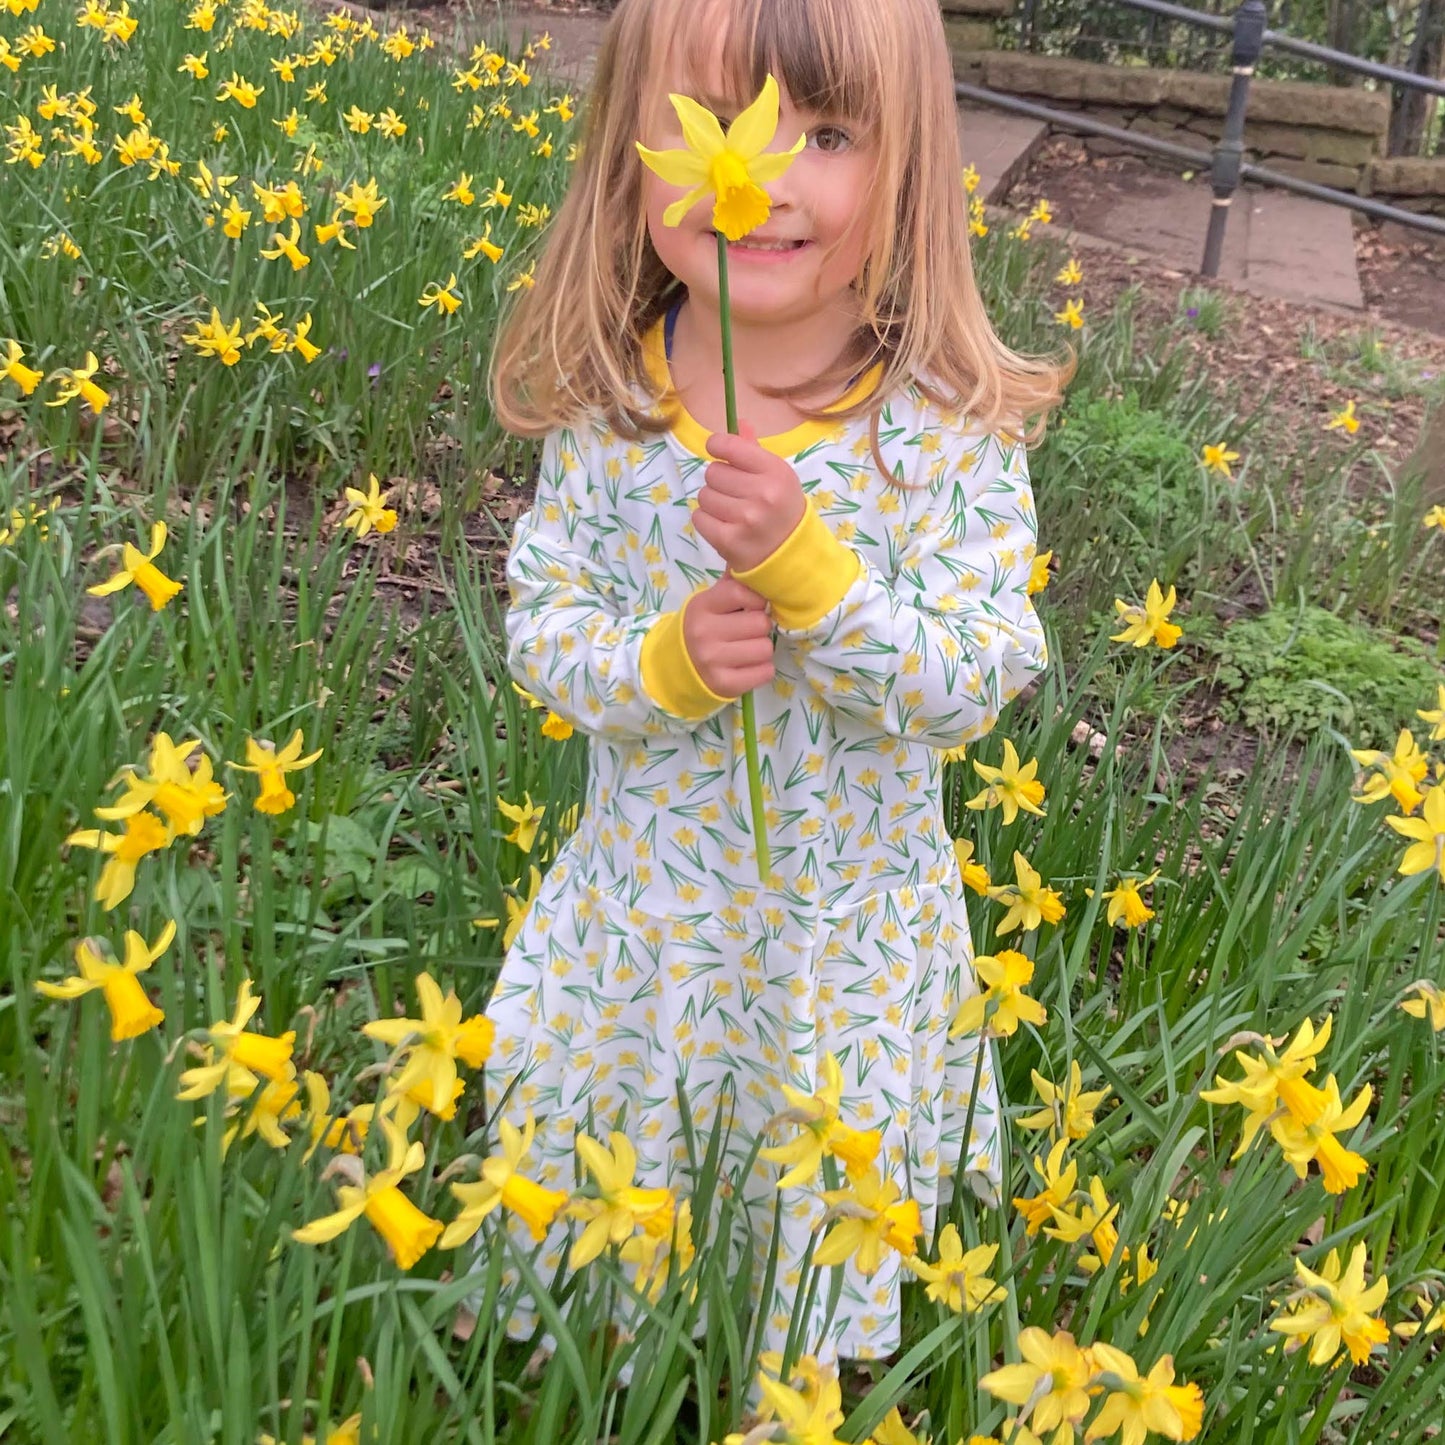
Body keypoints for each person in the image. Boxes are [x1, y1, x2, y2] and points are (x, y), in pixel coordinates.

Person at [481, 0, 1071, 1376]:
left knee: (803, 1177)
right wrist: (658, 665)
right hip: (652, 915)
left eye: (825, 133)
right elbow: (543, 623)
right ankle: (578, 1337)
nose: (761, 181)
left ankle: (789, 1374)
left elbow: (974, 675)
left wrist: (818, 585)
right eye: (715, 130)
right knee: (624, 1141)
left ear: (908, 166)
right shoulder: (611, 408)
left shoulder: (939, 432)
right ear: (632, 154)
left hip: (840, 936)